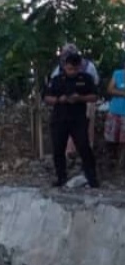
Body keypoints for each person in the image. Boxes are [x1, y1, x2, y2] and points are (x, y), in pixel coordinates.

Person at [43, 53, 99, 188]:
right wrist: (58, 100)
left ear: (79, 67)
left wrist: (79, 98)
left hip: (78, 119)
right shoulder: (57, 79)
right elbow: (46, 98)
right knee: (58, 149)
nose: (71, 72)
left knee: (84, 147)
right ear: (64, 67)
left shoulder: (86, 78)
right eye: (69, 69)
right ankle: (61, 177)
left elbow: (94, 97)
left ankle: (92, 178)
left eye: (74, 69)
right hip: (59, 119)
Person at [106, 54, 125, 168]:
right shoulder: (117, 73)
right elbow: (110, 89)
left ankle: (120, 163)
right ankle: (111, 160)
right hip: (115, 111)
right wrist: (123, 93)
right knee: (111, 138)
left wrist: (118, 91)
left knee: (123, 140)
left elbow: (114, 89)